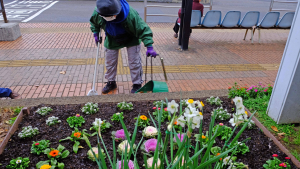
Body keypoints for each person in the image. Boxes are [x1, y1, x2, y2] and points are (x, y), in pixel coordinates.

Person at [90, 0, 157, 94]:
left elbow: (143, 29)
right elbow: (94, 22)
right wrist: (95, 32)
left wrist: (149, 46)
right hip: (112, 37)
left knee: (134, 62)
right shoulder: (100, 11)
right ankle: (111, 82)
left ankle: (137, 84)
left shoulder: (130, 14)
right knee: (110, 62)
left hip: (131, 37)